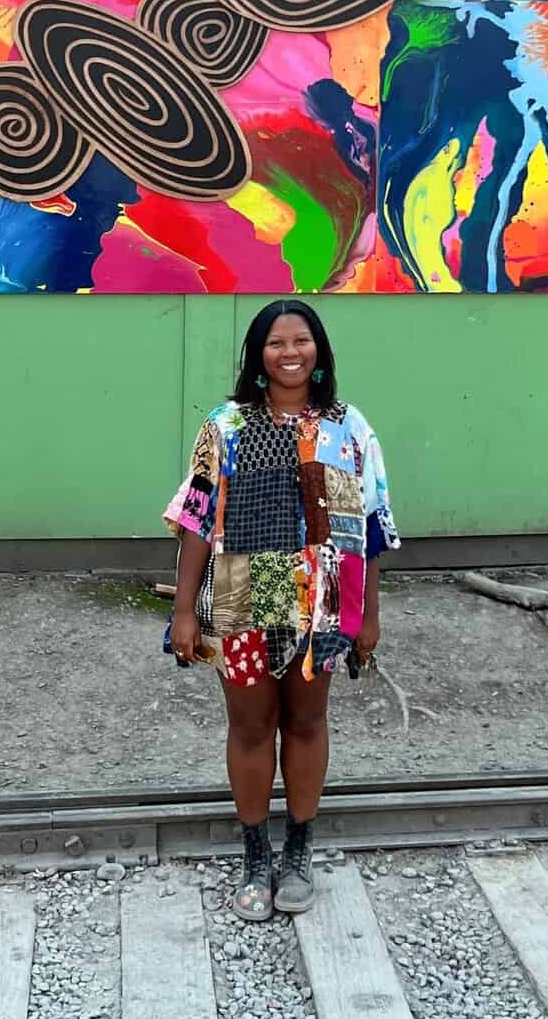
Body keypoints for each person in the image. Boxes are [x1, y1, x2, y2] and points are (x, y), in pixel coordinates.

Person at [164, 299, 398, 922]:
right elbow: (194, 519)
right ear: (258, 354)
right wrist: (184, 612)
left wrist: (368, 616)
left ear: (319, 352)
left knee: (306, 722)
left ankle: (298, 849)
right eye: (276, 342)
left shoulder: (351, 429)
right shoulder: (227, 424)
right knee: (248, 725)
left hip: (322, 598)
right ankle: (253, 854)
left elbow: (371, 529)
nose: (289, 352)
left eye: (301, 341)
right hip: (242, 590)